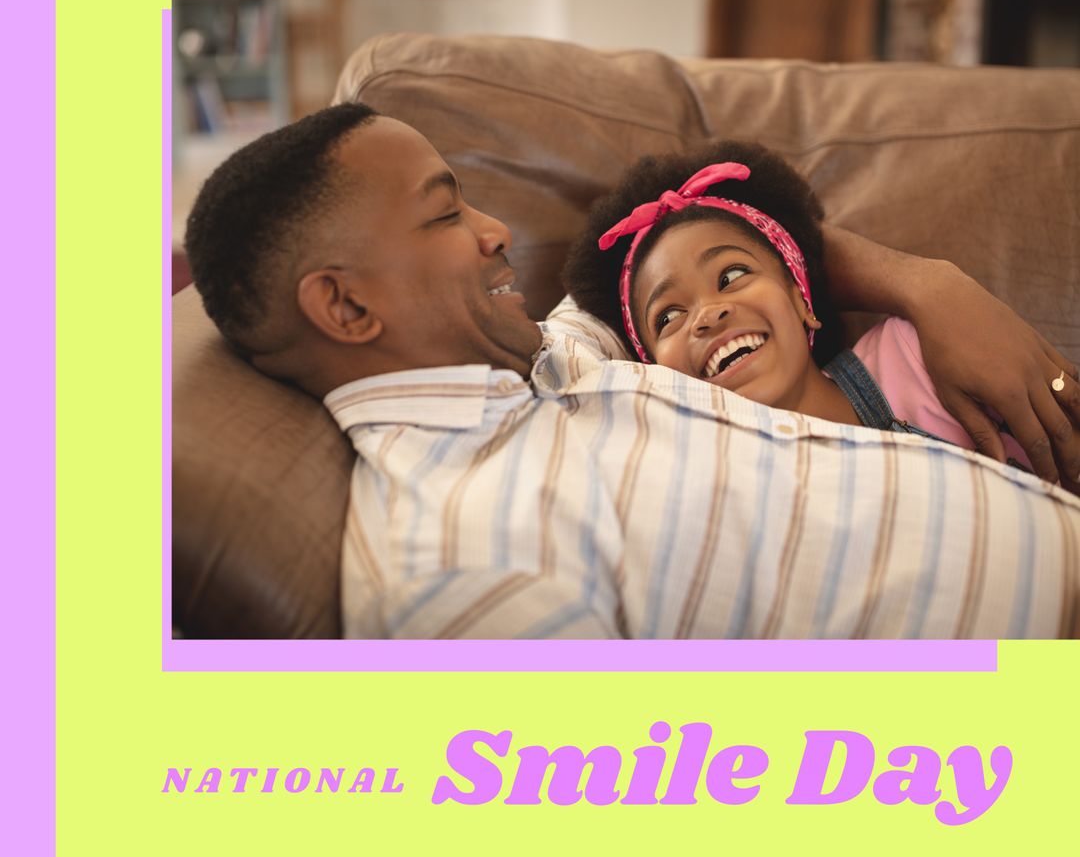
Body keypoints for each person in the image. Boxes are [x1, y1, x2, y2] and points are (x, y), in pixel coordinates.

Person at [184, 103, 1080, 639]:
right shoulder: (459, 564)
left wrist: (928, 285)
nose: (497, 232)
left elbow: (705, 237)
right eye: (446, 213)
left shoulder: (550, 355)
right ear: (345, 309)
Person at [561, 140, 1037, 470]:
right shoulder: (692, 482)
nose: (707, 314)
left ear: (801, 298)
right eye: (668, 316)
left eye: (732, 275)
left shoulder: (917, 355)